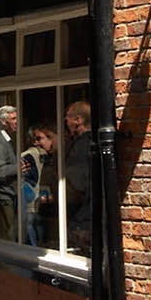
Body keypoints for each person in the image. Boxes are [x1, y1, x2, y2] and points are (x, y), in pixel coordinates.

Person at [20, 123, 57, 247]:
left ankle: (35, 247)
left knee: (31, 223)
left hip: (32, 196)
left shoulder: (25, 155)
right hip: (43, 194)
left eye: (39, 138)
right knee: (38, 223)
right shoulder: (47, 154)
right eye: (35, 139)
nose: (36, 142)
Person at [64, 99, 92, 255]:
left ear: (78, 120)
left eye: (68, 117)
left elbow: (77, 184)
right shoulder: (92, 142)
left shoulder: (81, 147)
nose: (66, 121)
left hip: (82, 217)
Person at [0, 104, 18, 239]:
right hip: (5, 196)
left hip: (11, 194)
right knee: (8, 236)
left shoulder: (7, 139)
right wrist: (18, 167)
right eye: (13, 119)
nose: (16, 122)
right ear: (3, 122)